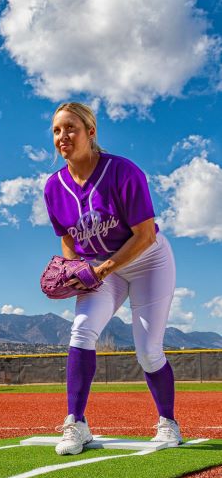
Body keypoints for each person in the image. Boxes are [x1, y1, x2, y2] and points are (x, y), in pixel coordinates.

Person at [43, 101, 182, 455]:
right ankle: (76, 422)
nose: (63, 136)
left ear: (91, 132)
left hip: (147, 260)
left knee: (148, 351)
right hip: (101, 266)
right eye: (57, 130)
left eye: (71, 128)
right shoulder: (54, 187)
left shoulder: (123, 172)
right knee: (81, 330)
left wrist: (102, 270)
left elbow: (146, 234)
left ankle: (168, 423)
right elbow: (68, 238)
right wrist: (75, 270)